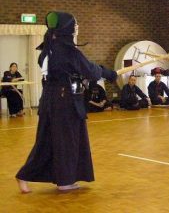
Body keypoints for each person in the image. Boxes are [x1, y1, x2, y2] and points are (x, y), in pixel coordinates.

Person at [15, 11, 117, 193]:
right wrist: (108, 73)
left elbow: (73, 70)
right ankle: (64, 181)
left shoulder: (48, 48)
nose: (76, 27)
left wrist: (89, 73)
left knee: (47, 142)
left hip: (50, 100)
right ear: (66, 28)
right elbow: (91, 70)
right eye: (74, 24)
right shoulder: (68, 51)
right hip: (65, 102)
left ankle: (26, 176)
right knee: (67, 141)